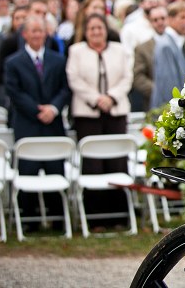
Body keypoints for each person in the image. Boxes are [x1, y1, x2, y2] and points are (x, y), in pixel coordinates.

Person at [4, 15, 71, 230]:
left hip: (53, 123)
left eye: (40, 31)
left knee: (54, 168)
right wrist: (36, 110)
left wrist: (53, 108)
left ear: (46, 33)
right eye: (32, 31)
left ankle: (58, 219)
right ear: (24, 34)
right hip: (27, 123)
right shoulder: (13, 62)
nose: (37, 35)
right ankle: (29, 221)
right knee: (28, 169)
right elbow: (14, 92)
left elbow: (65, 88)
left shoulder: (58, 60)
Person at [66, 12, 133, 225]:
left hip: (116, 111)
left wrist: (111, 97)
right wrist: (96, 99)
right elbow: (74, 78)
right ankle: (94, 218)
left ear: (106, 30)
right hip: (88, 113)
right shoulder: (76, 51)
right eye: (92, 28)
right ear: (85, 32)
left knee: (117, 160)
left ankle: (119, 216)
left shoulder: (120, 50)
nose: (96, 32)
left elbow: (127, 77)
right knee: (93, 163)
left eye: (99, 28)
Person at [149, 1, 185, 110]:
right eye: (183, 17)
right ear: (170, 19)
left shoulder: (181, 42)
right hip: (170, 110)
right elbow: (168, 86)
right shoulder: (166, 46)